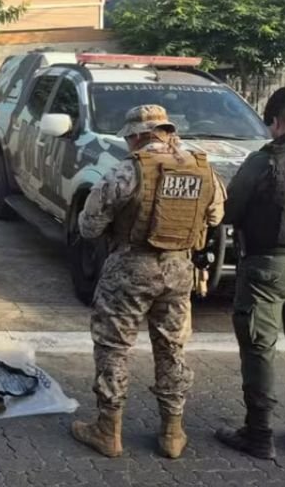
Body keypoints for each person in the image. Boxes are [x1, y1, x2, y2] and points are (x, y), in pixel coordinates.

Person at [71, 105, 225, 459]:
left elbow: (89, 226)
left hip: (130, 268)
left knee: (114, 347)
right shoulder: (203, 169)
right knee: (172, 348)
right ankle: (172, 432)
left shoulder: (127, 170)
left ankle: (108, 430)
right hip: (179, 270)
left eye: (129, 138)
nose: (128, 144)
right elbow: (216, 215)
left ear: (139, 135)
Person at [217, 87, 285, 459]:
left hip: (268, 267)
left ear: (274, 122)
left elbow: (229, 210)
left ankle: (259, 433)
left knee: (259, 349)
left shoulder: (264, 160)